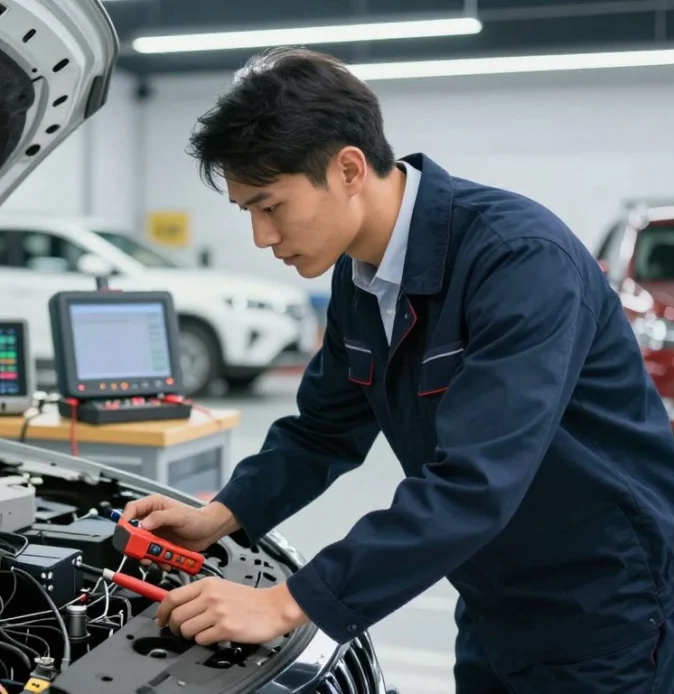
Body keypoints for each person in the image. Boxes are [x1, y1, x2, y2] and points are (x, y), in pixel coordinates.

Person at [122, 47, 674, 692]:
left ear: (349, 168)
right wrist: (223, 513)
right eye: (248, 211)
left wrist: (286, 602)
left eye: (270, 206)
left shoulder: (518, 261)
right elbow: (322, 431)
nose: (261, 237)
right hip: (492, 589)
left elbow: (477, 480)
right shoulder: (361, 278)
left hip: (604, 601)